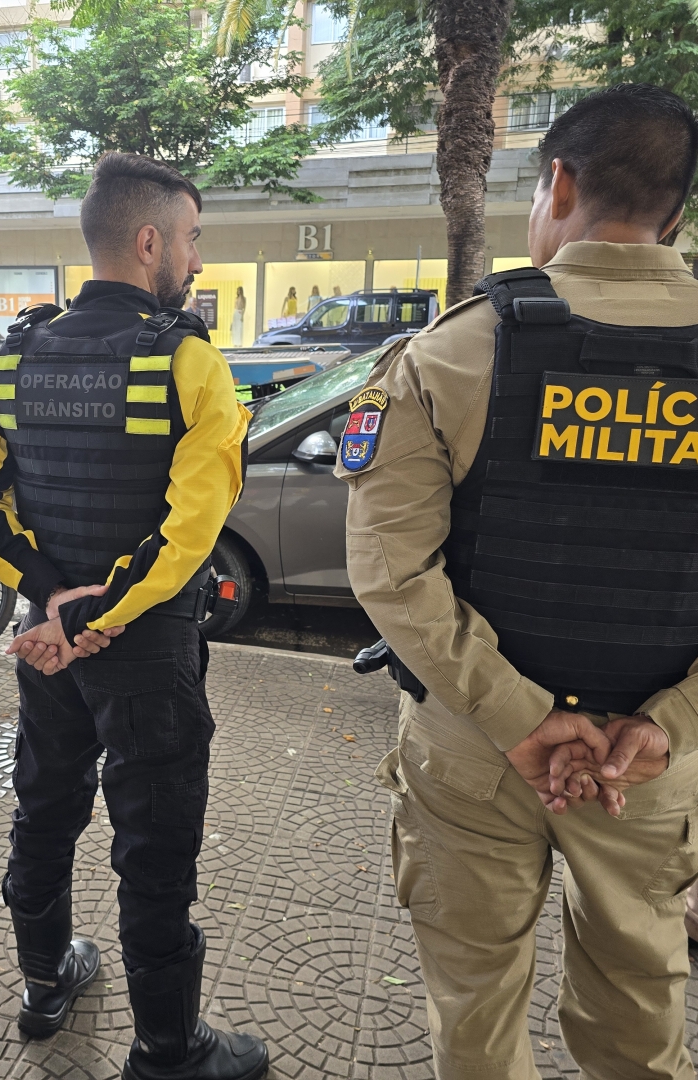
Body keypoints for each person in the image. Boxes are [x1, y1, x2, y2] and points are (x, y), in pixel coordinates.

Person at [339, 83, 698, 1078]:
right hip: (650, 769)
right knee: (639, 1026)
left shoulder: (454, 350)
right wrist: (670, 723)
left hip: (473, 755)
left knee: (477, 1019)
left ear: (559, 183)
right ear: (676, 208)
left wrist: (521, 717)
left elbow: (389, 569)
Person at [0, 151, 267, 1080]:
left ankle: (46, 985)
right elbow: (190, 530)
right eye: (195, 240)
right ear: (151, 239)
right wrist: (100, 613)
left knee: (44, 809)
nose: (198, 262)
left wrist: (51, 600)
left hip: (49, 650)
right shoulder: (190, 362)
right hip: (142, 649)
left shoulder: (12, 360)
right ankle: (169, 1049)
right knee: (155, 841)